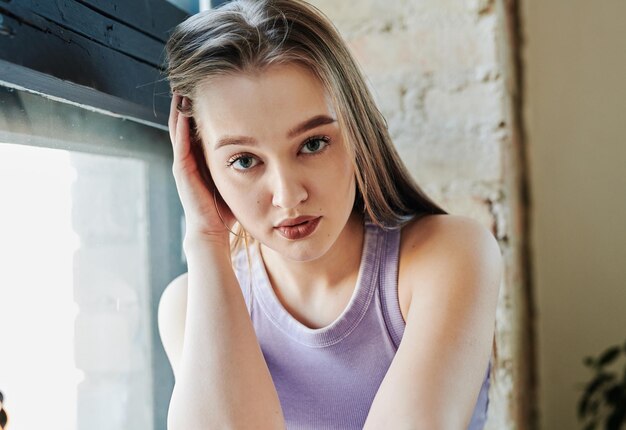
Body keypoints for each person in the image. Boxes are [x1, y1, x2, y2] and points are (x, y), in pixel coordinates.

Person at [157, 0, 502, 428]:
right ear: (202, 165)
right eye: (245, 161)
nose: (287, 196)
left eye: (313, 143)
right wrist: (205, 238)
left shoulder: (448, 256)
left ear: (356, 131)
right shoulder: (189, 305)